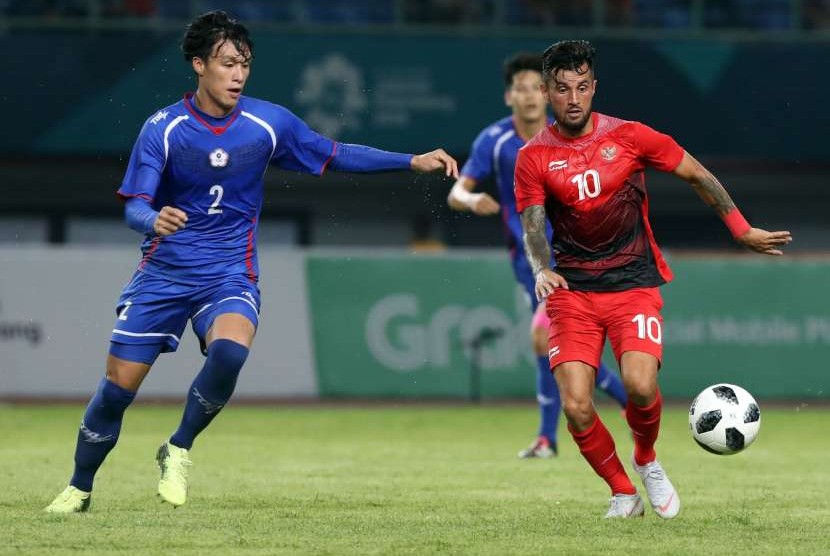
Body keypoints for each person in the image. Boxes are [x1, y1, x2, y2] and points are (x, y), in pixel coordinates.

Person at [45, 10, 458, 513]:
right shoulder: (165, 129)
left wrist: (409, 160)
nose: (238, 74)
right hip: (164, 274)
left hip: (228, 273)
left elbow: (333, 153)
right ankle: (80, 487)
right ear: (198, 65)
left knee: (231, 353)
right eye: (226, 64)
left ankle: (178, 447)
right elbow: (134, 205)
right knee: (116, 392)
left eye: (244, 64)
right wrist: (153, 220)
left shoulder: (268, 123)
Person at [514, 40, 791, 518]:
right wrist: (542, 269)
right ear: (548, 92)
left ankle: (646, 460)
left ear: (594, 87)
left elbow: (697, 174)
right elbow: (534, 225)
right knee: (577, 405)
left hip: (632, 284)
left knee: (640, 387)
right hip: (573, 292)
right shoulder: (533, 157)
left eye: (582, 87)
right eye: (562, 90)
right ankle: (623, 492)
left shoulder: (630, 136)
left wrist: (741, 229)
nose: (574, 98)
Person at [447, 53, 627, 460]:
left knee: (546, 339)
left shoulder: (566, 136)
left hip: (571, 254)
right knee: (555, 346)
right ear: (509, 96)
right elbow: (456, 192)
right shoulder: (493, 142)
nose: (528, 96)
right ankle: (612, 405)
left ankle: (550, 437)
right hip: (526, 261)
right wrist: (472, 200)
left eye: (535, 88)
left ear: (546, 95)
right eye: (520, 89)